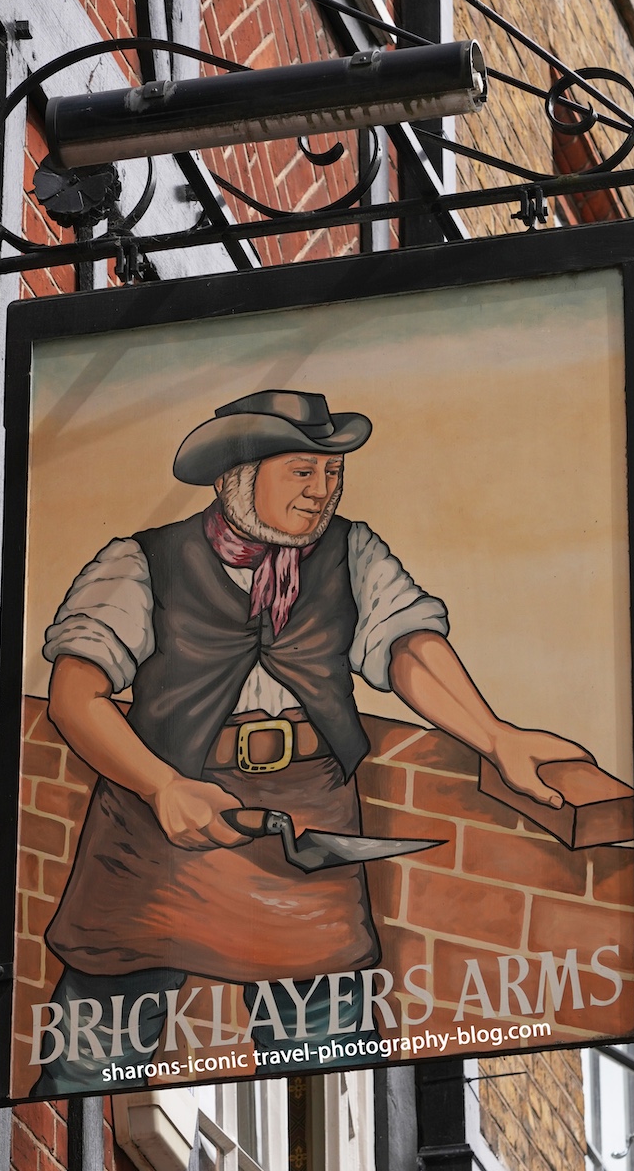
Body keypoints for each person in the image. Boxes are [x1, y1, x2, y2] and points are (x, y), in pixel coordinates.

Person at [32, 389, 587, 1092]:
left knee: (325, 1054)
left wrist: (494, 736)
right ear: (239, 472)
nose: (323, 491)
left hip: (307, 823)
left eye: (333, 473)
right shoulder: (139, 562)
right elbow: (76, 696)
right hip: (159, 830)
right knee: (93, 1052)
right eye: (303, 471)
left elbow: (407, 649)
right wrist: (161, 784)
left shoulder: (352, 554)